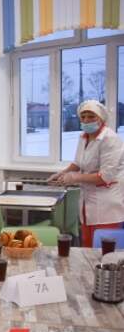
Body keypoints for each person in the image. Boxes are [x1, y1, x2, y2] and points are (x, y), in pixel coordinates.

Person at [48, 100, 124, 247]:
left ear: (101, 118)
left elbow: (105, 177)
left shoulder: (110, 139)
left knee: (104, 252)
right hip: (87, 205)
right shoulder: (84, 137)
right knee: (88, 249)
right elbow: (78, 163)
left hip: (107, 207)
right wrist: (62, 173)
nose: (86, 120)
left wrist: (76, 177)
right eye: (83, 117)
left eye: (91, 116)